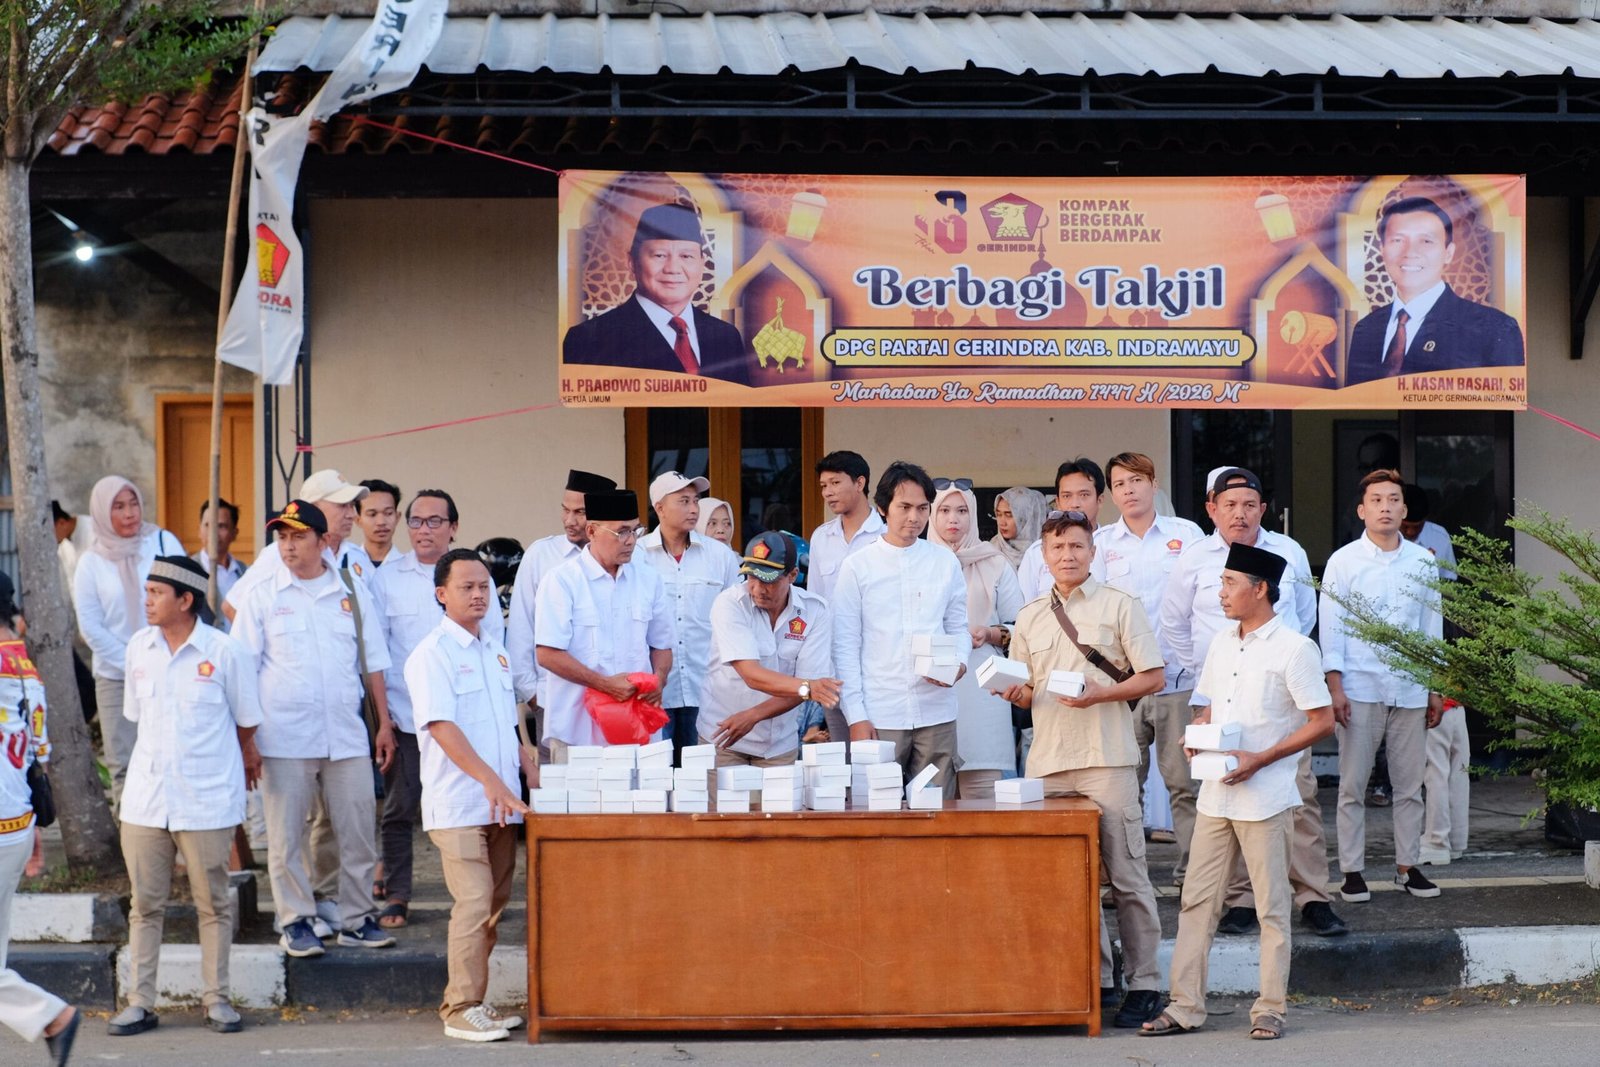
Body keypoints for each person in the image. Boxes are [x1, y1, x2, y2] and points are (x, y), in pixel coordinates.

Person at [1141, 543, 1335, 1041]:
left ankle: (1270, 1008)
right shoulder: (1223, 643)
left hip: (1266, 797)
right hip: (1215, 795)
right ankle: (1185, 1005)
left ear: (1260, 589)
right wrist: (1197, 736)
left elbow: (1322, 721)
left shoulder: (1295, 648)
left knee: (1271, 908)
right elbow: (1206, 707)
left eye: (1229, 583)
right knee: (1197, 903)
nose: (1220, 592)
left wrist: (1261, 759)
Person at [1158, 467, 1345, 937]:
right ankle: (1241, 899)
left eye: (1248, 505)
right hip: (1218, 694)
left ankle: (1313, 896)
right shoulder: (1196, 558)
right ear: (1211, 510)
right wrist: (1205, 681)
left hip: (1279, 696)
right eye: (1229, 506)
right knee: (1231, 793)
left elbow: (1302, 617)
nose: (1239, 514)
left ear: (1262, 509)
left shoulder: (1289, 551)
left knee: (1297, 794)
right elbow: (1174, 622)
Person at [1002, 509, 1166, 1028]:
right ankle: (1093, 980)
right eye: (1057, 548)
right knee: (1071, 880)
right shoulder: (1029, 616)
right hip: (1050, 762)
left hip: (1107, 757)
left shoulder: (1121, 605)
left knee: (1128, 876)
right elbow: (1028, 693)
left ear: (1092, 551)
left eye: (1076, 546)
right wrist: (1012, 690)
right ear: (1044, 556)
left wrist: (1104, 694)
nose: (1067, 556)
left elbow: (1154, 677)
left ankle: (1145, 983)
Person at [230, 500, 398, 958]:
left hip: (345, 734)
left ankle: (357, 917)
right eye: (282, 537)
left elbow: (374, 663)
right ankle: (297, 920)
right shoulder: (263, 595)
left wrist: (383, 724)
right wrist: (246, 740)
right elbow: (241, 669)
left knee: (360, 830)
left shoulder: (350, 592)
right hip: (283, 736)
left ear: (323, 542)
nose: (288, 545)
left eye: (298, 536)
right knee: (287, 838)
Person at [113, 556, 261, 1037]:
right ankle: (140, 1002)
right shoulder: (139, 648)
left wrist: (220, 766)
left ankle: (216, 999)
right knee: (144, 905)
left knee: (213, 904)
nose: (147, 599)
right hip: (146, 799)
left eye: (157, 592)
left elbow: (246, 722)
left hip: (206, 800)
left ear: (186, 600)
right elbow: (137, 718)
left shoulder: (224, 651)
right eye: (148, 590)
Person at [407, 549, 533, 1043]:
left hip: (501, 800)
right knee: (475, 902)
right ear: (442, 595)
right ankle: (458, 1007)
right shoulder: (431, 654)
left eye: (484, 586)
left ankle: (476, 1002)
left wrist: (525, 758)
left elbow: (509, 717)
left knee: (495, 904)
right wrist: (492, 782)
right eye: (467, 587)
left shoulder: (494, 649)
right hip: (460, 800)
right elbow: (442, 727)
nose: (479, 594)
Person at [368, 490, 503, 930]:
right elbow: (378, 653)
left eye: (433, 521)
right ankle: (398, 894)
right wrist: (384, 721)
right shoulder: (388, 578)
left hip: (471, 724)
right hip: (410, 718)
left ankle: (469, 899)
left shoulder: (476, 578)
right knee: (398, 809)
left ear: (453, 527)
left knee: (472, 813)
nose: (423, 530)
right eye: (416, 521)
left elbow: (495, 648)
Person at [1322, 469, 1445, 902]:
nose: (1386, 507)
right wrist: (1334, 687)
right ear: (1362, 510)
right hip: (1359, 686)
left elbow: (1432, 628)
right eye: (1377, 500)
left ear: (1405, 509)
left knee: (1410, 786)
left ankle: (1407, 867)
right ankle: (1352, 871)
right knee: (1353, 785)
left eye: (1394, 500)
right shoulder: (1343, 561)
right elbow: (1332, 630)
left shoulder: (1422, 561)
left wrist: (1433, 686)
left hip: (1410, 687)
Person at [1093, 453, 1206, 863]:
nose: (1129, 490)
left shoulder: (1187, 535)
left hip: (1179, 680)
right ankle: (1126, 877)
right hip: (1125, 686)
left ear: (1154, 484)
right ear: (1110, 494)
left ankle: (1192, 875)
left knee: (1185, 785)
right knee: (1123, 786)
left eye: (1137, 480)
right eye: (1120, 484)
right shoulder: (1101, 544)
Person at [833, 461, 968, 795]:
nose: (914, 517)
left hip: (937, 710)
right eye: (904, 507)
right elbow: (844, 646)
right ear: (882, 508)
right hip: (880, 712)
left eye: (922, 508)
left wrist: (960, 664)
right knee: (879, 814)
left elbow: (958, 626)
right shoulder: (857, 566)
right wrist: (856, 716)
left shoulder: (944, 561)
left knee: (938, 813)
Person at [0, 591, 80, 1065]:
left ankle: (52, 1015)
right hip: (14, 826)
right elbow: (37, 758)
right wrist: (33, 838)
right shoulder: (27, 673)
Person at [535, 489, 674, 760]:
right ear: (592, 531)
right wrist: (604, 684)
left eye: (636, 531)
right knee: (580, 804)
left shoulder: (649, 580)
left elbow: (663, 646)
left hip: (636, 726)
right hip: (577, 729)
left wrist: (659, 679)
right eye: (621, 532)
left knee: (644, 803)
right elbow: (548, 654)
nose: (631, 541)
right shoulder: (562, 581)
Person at [72, 475, 185, 806]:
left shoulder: (162, 543)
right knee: (125, 764)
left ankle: (174, 843)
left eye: (133, 503)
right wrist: (135, 662)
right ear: (102, 513)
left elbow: (185, 598)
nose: (129, 513)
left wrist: (158, 660)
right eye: (118, 506)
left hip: (170, 669)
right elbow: (90, 627)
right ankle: (132, 849)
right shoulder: (90, 563)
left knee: (171, 758)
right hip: (116, 678)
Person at [1345, 195, 1524, 385]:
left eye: (1426, 241)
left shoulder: (1494, 329)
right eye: (1397, 240)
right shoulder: (1366, 329)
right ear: (1382, 249)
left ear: (1448, 253)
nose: (1410, 252)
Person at [562, 203, 749, 384]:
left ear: (702, 264)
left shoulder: (726, 336)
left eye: (686, 256)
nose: (673, 269)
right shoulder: (590, 339)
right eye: (659, 255)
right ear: (632, 262)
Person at [700, 532, 839, 767]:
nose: (757, 588)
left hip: (779, 744)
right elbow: (752, 675)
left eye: (768, 580)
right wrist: (808, 688)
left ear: (793, 575)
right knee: (725, 804)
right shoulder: (730, 603)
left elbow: (809, 684)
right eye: (751, 577)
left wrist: (754, 715)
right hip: (724, 736)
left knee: (778, 805)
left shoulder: (815, 611)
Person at [927, 479, 1024, 799]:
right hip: (932, 686)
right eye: (943, 510)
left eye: (961, 511)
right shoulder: (918, 561)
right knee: (932, 793)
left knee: (982, 796)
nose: (953, 519)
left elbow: (1021, 626)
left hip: (984, 689)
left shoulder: (994, 562)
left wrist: (990, 632)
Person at [639, 471, 741, 763]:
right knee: (658, 779)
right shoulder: (637, 556)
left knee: (703, 780)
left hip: (707, 688)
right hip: (655, 691)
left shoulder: (719, 556)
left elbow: (736, 619)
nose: (694, 508)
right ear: (659, 507)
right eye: (683, 501)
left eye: (696, 500)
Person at [505, 470, 617, 720]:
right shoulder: (541, 555)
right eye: (565, 510)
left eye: (580, 512)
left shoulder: (626, 559)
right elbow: (521, 627)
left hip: (615, 703)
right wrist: (533, 695)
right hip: (555, 704)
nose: (569, 520)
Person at [1402, 485, 1469, 865]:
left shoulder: (1436, 541)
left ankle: (1439, 843)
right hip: (1444, 661)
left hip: (1432, 662)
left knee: (1439, 766)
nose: (1410, 532)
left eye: (1415, 526)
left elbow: (1451, 592)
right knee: (1454, 763)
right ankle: (1455, 841)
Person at [222, 469, 375, 622]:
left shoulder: (357, 556)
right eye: (342, 506)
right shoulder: (281, 554)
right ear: (315, 508)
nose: (352, 514)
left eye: (352, 505)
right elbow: (231, 607)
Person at [807, 450, 885, 745]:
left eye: (835, 483)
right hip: (836, 671)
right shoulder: (821, 537)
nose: (828, 493)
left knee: (882, 764)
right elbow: (815, 605)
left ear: (860, 482)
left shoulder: (886, 534)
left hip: (879, 667)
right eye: (824, 486)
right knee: (844, 765)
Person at [1018, 458, 1106, 602]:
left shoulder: (1114, 545)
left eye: (1084, 495)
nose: (1074, 504)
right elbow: (1025, 611)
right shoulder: (1036, 554)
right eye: (1067, 496)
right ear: (1057, 502)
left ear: (1100, 500)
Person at [195, 498, 246, 611]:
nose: (213, 533)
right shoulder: (189, 571)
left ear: (234, 533)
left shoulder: (244, 572)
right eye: (207, 525)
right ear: (199, 530)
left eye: (221, 526)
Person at [989, 486, 1047, 571]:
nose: (1002, 522)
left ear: (1027, 518)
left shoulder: (1046, 550)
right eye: (998, 515)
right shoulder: (991, 549)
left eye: (1009, 515)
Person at [356, 479, 403, 567]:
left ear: (397, 517)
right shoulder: (345, 566)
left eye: (388, 513)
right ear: (358, 520)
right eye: (372, 514)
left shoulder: (409, 568)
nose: (381, 522)